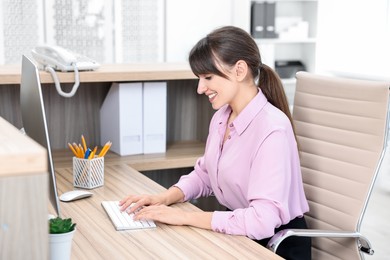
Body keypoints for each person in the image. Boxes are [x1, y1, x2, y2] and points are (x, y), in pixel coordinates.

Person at [119, 26, 311, 259]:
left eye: (208, 77)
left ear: (240, 70)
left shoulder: (272, 129)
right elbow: (207, 174)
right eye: (199, 78)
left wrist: (185, 217)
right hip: (239, 235)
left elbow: (262, 220)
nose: (200, 88)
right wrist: (164, 198)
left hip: (275, 246)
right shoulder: (223, 116)